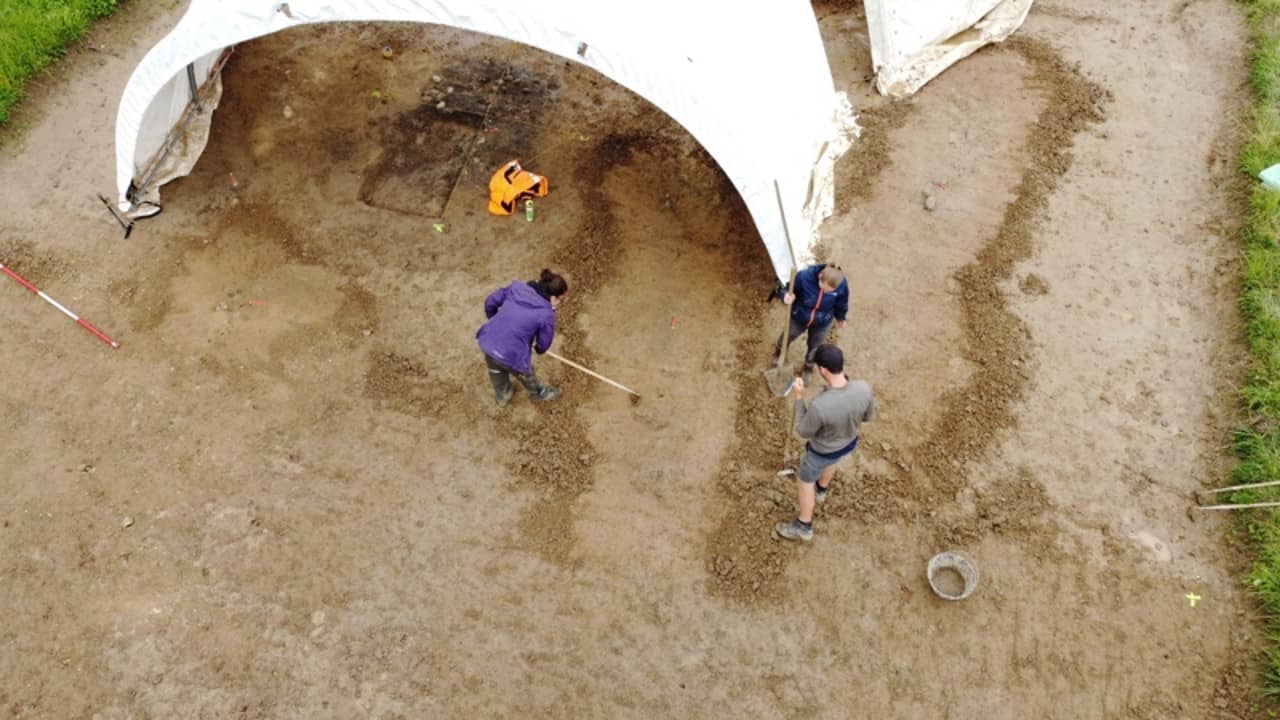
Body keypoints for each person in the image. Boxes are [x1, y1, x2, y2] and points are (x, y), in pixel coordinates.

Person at [775, 344, 874, 542]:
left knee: (804, 481)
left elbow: (803, 430)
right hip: (848, 443)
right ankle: (822, 489)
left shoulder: (821, 405)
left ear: (823, 370)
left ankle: (804, 525)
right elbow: (867, 417)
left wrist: (799, 397)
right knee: (833, 460)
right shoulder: (864, 388)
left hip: (820, 451)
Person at [476, 269, 567, 407]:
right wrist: (539, 349)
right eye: (560, 299)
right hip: (512, 354)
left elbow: (490, 302)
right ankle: (540, 393)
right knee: (526, 374)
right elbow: (544, 342)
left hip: (488, 342)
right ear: (554, 298)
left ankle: (503, 395)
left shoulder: (515, 288)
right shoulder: (545, 313)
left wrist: (494, 319)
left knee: (496, 370)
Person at [775, 263, 849, 374]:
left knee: (815, 347)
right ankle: (779, 354)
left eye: (829, 292)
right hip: (799, 316)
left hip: (822, 322)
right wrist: (785, 295)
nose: (825, 292)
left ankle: (808, 367)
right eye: (823, 288)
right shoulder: (804, 277)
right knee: (788, 335)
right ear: (820, 276)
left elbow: (842, 303)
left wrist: (841, 317)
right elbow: (787, 289)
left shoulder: (842, 285)